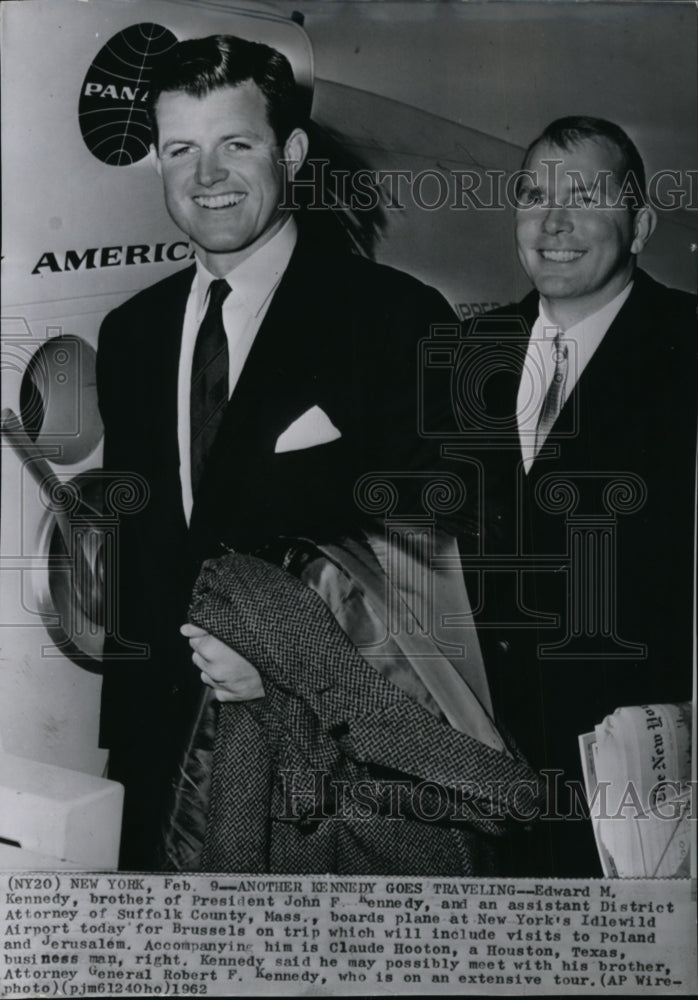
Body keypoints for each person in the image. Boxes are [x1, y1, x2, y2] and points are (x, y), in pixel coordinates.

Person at [96, 34, 458, 868]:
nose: (206, 176)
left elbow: (434, 566)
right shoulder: (130, 334)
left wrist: (293, 666)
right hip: (163, 765)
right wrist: (126, 760)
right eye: (181, 149)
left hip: (324, 773)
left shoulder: (394, 318)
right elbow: (139, 553)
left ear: (290, 153)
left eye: (236, 144)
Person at [461, 116, 697, 876]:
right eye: (534, 196)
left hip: (637, 781)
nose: (554, 222)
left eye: (587, 197)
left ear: (640, 227)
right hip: (476, 772)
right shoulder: (469, 351)